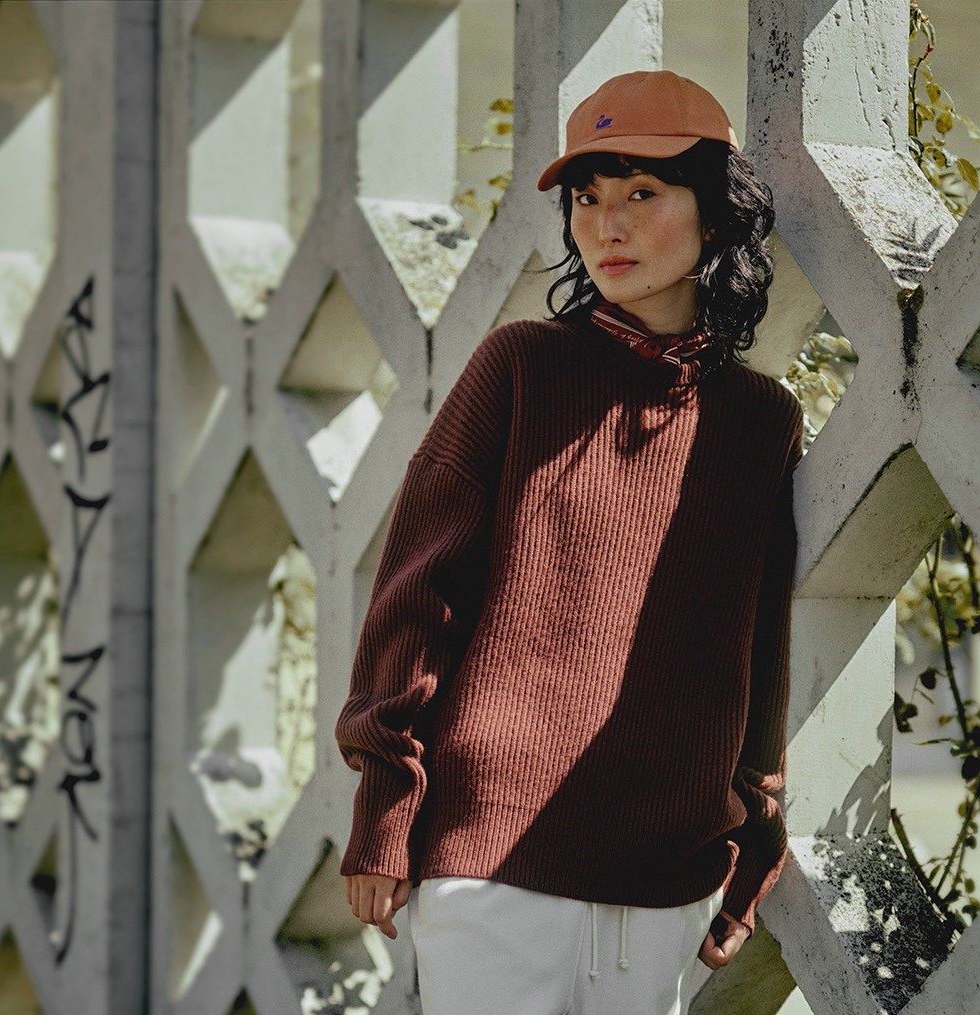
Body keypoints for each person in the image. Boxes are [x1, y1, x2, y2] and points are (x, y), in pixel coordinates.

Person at [336, 70, 802, 1014]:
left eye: (642, 192)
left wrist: (755, 832)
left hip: (668, 874)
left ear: (715, 215)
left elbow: (757, 641)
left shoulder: (760, 418)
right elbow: (417, 595)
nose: (606, 226)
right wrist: (386, 807)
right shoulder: (520, 367)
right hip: (491, 860)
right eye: (586, 199)